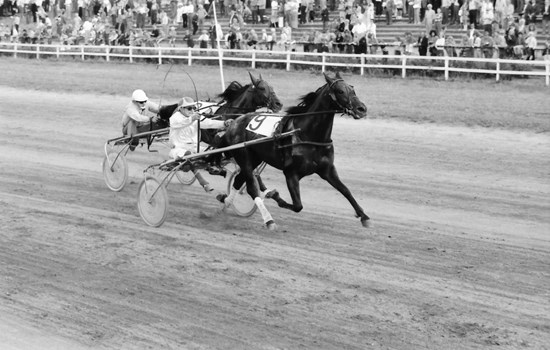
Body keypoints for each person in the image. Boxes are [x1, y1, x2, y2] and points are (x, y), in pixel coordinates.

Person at [168, 97, 233, 192]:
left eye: (193, 108)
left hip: (195, 148)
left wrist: (224, 123)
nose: (192, 110)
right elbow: (180, 123)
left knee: (214, 152)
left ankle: (213, 166)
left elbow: (209, 123)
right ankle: (203, 180)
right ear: (181, 108)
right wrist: (191, 119)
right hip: (178, 149)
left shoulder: (195, 116)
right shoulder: (175, 117)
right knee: (188, 155)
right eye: (189, 108)